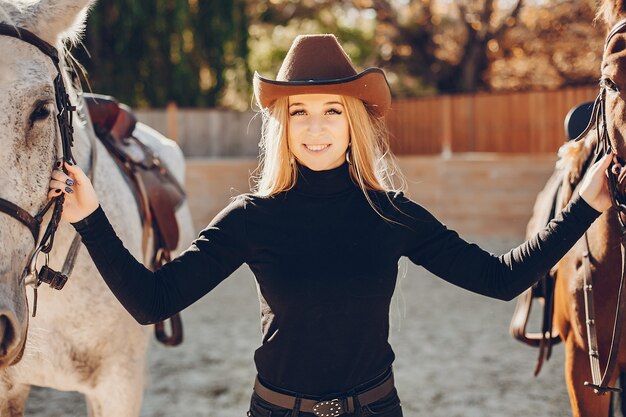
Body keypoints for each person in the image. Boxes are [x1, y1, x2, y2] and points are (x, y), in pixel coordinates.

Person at [49, 34, 612, 417]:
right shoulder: (252, 218)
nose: (316, 128)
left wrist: (584, 205)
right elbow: (153, 300)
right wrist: (93, 219)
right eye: (300, 113)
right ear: (283, 127)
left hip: (376, 408)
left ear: (354, 122)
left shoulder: (392, 213)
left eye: (332, 111)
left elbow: (500, 278)